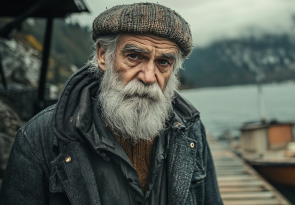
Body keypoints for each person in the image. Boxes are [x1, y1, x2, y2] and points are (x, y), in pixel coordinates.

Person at [0, 3, 223, 205]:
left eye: (163, 62)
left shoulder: (191, 131)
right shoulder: (38, 139)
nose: (148, 76)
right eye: (134, 56)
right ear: (103, 55)